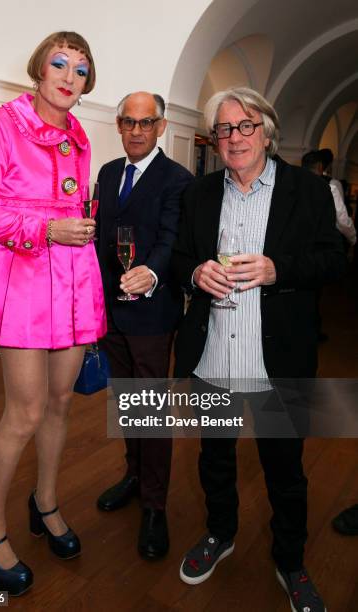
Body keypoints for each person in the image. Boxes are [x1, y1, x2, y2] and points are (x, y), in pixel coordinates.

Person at [172, 87, 346, 612]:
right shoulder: (199, 194)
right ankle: (219, 533)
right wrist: (194, 272)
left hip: (278, 360)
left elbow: (335, 260)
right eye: (223, 130)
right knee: (215, 460)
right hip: (214, 358)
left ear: (267, 132)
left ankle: (290, 560)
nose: (234, 138)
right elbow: (180, 257)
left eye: (245, 126)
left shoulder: (307, 191)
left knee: (285, 471)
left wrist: (278, 270)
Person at [0, 31, 105, 595]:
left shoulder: (80, 136)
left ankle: (44, 501)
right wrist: (46, 228)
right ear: (39, 71)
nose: (69, 77)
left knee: (63, 400)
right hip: (21, 280)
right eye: (60, 64)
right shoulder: (1, 124)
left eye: (81, 70)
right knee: (24, 412)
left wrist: (78, 229)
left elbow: (71, 201)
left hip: (70, 278)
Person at [95, 91, 193, 559]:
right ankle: (133, 476)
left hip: (153, 314)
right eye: (128, 122)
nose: (136, 130)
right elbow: (100, 243)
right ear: (119, 125)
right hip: (111, 312)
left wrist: (151, 272)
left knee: (151, 410)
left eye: (146, 122)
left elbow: (173, 237)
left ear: (161, 126)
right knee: (126, 401)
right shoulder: (108, 173)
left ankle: (155, 506)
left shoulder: (178, 179)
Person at [301, 150, 356, 247]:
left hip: (300, 240)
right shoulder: (331, 185)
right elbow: (341, 219)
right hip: (322, 243)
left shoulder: (294, 183)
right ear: (320, 166)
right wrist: (353, 238)